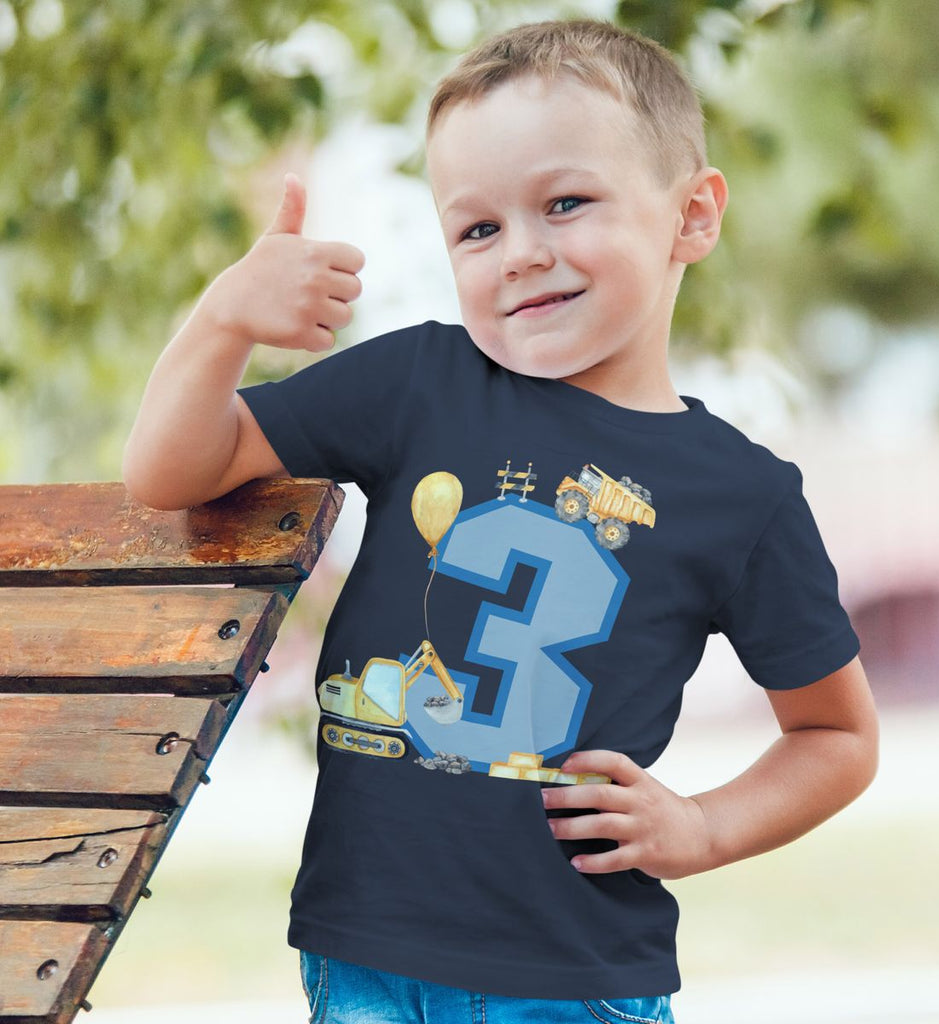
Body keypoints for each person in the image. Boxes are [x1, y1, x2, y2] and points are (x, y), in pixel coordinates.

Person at [123, 18, 878, 1024]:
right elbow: (170, 471)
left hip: (575, 978)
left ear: (691, 216)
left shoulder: (742, 492)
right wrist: (223, 318)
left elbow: (835, 734)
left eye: (565, 203)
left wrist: (700, 827)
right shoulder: (417, 383)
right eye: (476, 229)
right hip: (365, 960)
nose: (520, 253)